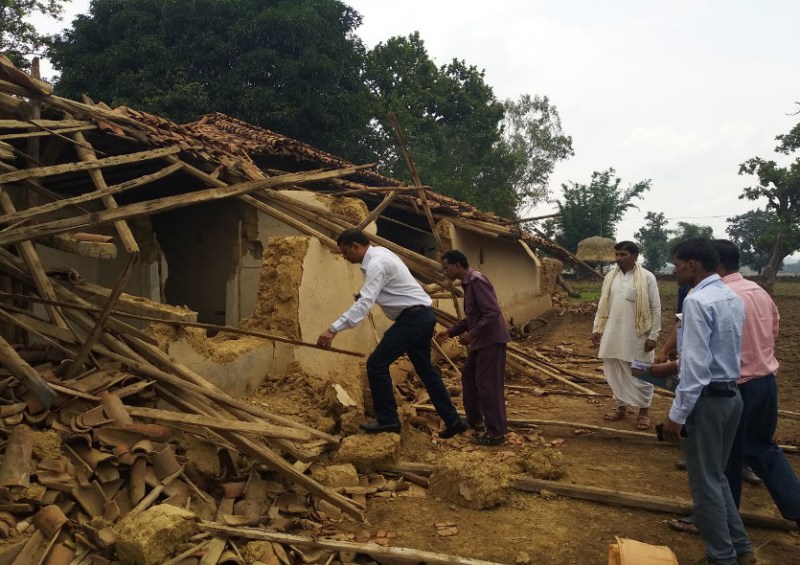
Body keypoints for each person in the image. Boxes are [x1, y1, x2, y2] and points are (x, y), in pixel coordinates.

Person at [316, 229, 467, 438]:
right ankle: (453, 421)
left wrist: (332, 330)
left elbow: (365, 304)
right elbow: (385, 288)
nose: (344, 257)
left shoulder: (376, 264)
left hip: (413, 319)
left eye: (345, 252)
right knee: (426, 370)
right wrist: (364, 294)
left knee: (376, 364)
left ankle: (388, 419)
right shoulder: (380, 255)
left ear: (355, 246)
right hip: (422, 316)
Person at [661, 237, 754, 565]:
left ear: (692, 264)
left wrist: (677, 414)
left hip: (708, 401)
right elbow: (714, 355)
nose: (673, 270)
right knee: (716, 477)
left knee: (704, 486)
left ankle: (721, 557)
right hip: (731, 396)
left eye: (676, 263)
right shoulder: (729, 297)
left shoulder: (697, 301)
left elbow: (698, 369)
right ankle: (741, 549)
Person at [713, 239, 800, 529]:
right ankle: (796, 506)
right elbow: (773, 330)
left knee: (726, 457)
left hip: (737, 387)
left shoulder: (720, 295)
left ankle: (726, 523)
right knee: (762, 447)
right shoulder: (759, 292)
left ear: (716, 264)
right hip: (766, 383)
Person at [436, 250, 511, 446]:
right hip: (482, 341)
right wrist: (450, 332)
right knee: (469, 377)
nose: (445, 272)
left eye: (446, 268)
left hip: (491, 340)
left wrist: (472, 334)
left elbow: (492, 312)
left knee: (488, 385)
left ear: (457, 265)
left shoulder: (476, 280)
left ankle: (496, 433)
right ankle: (475, 421)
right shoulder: (467, 283)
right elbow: (472, 317)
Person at [591, 241, 661, 430]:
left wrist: (653, 335)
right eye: (617, 255)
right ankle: (621, 408)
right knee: (616, 371)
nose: (618, 259)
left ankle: (644, 412)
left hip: (637, 335)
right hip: (613, 332)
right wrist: (597, 329)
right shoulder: (610, 277)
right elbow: (602, 305)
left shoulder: (647, 277)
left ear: (635, 256)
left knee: (641, 372)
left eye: (623, 255)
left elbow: (655, 308)